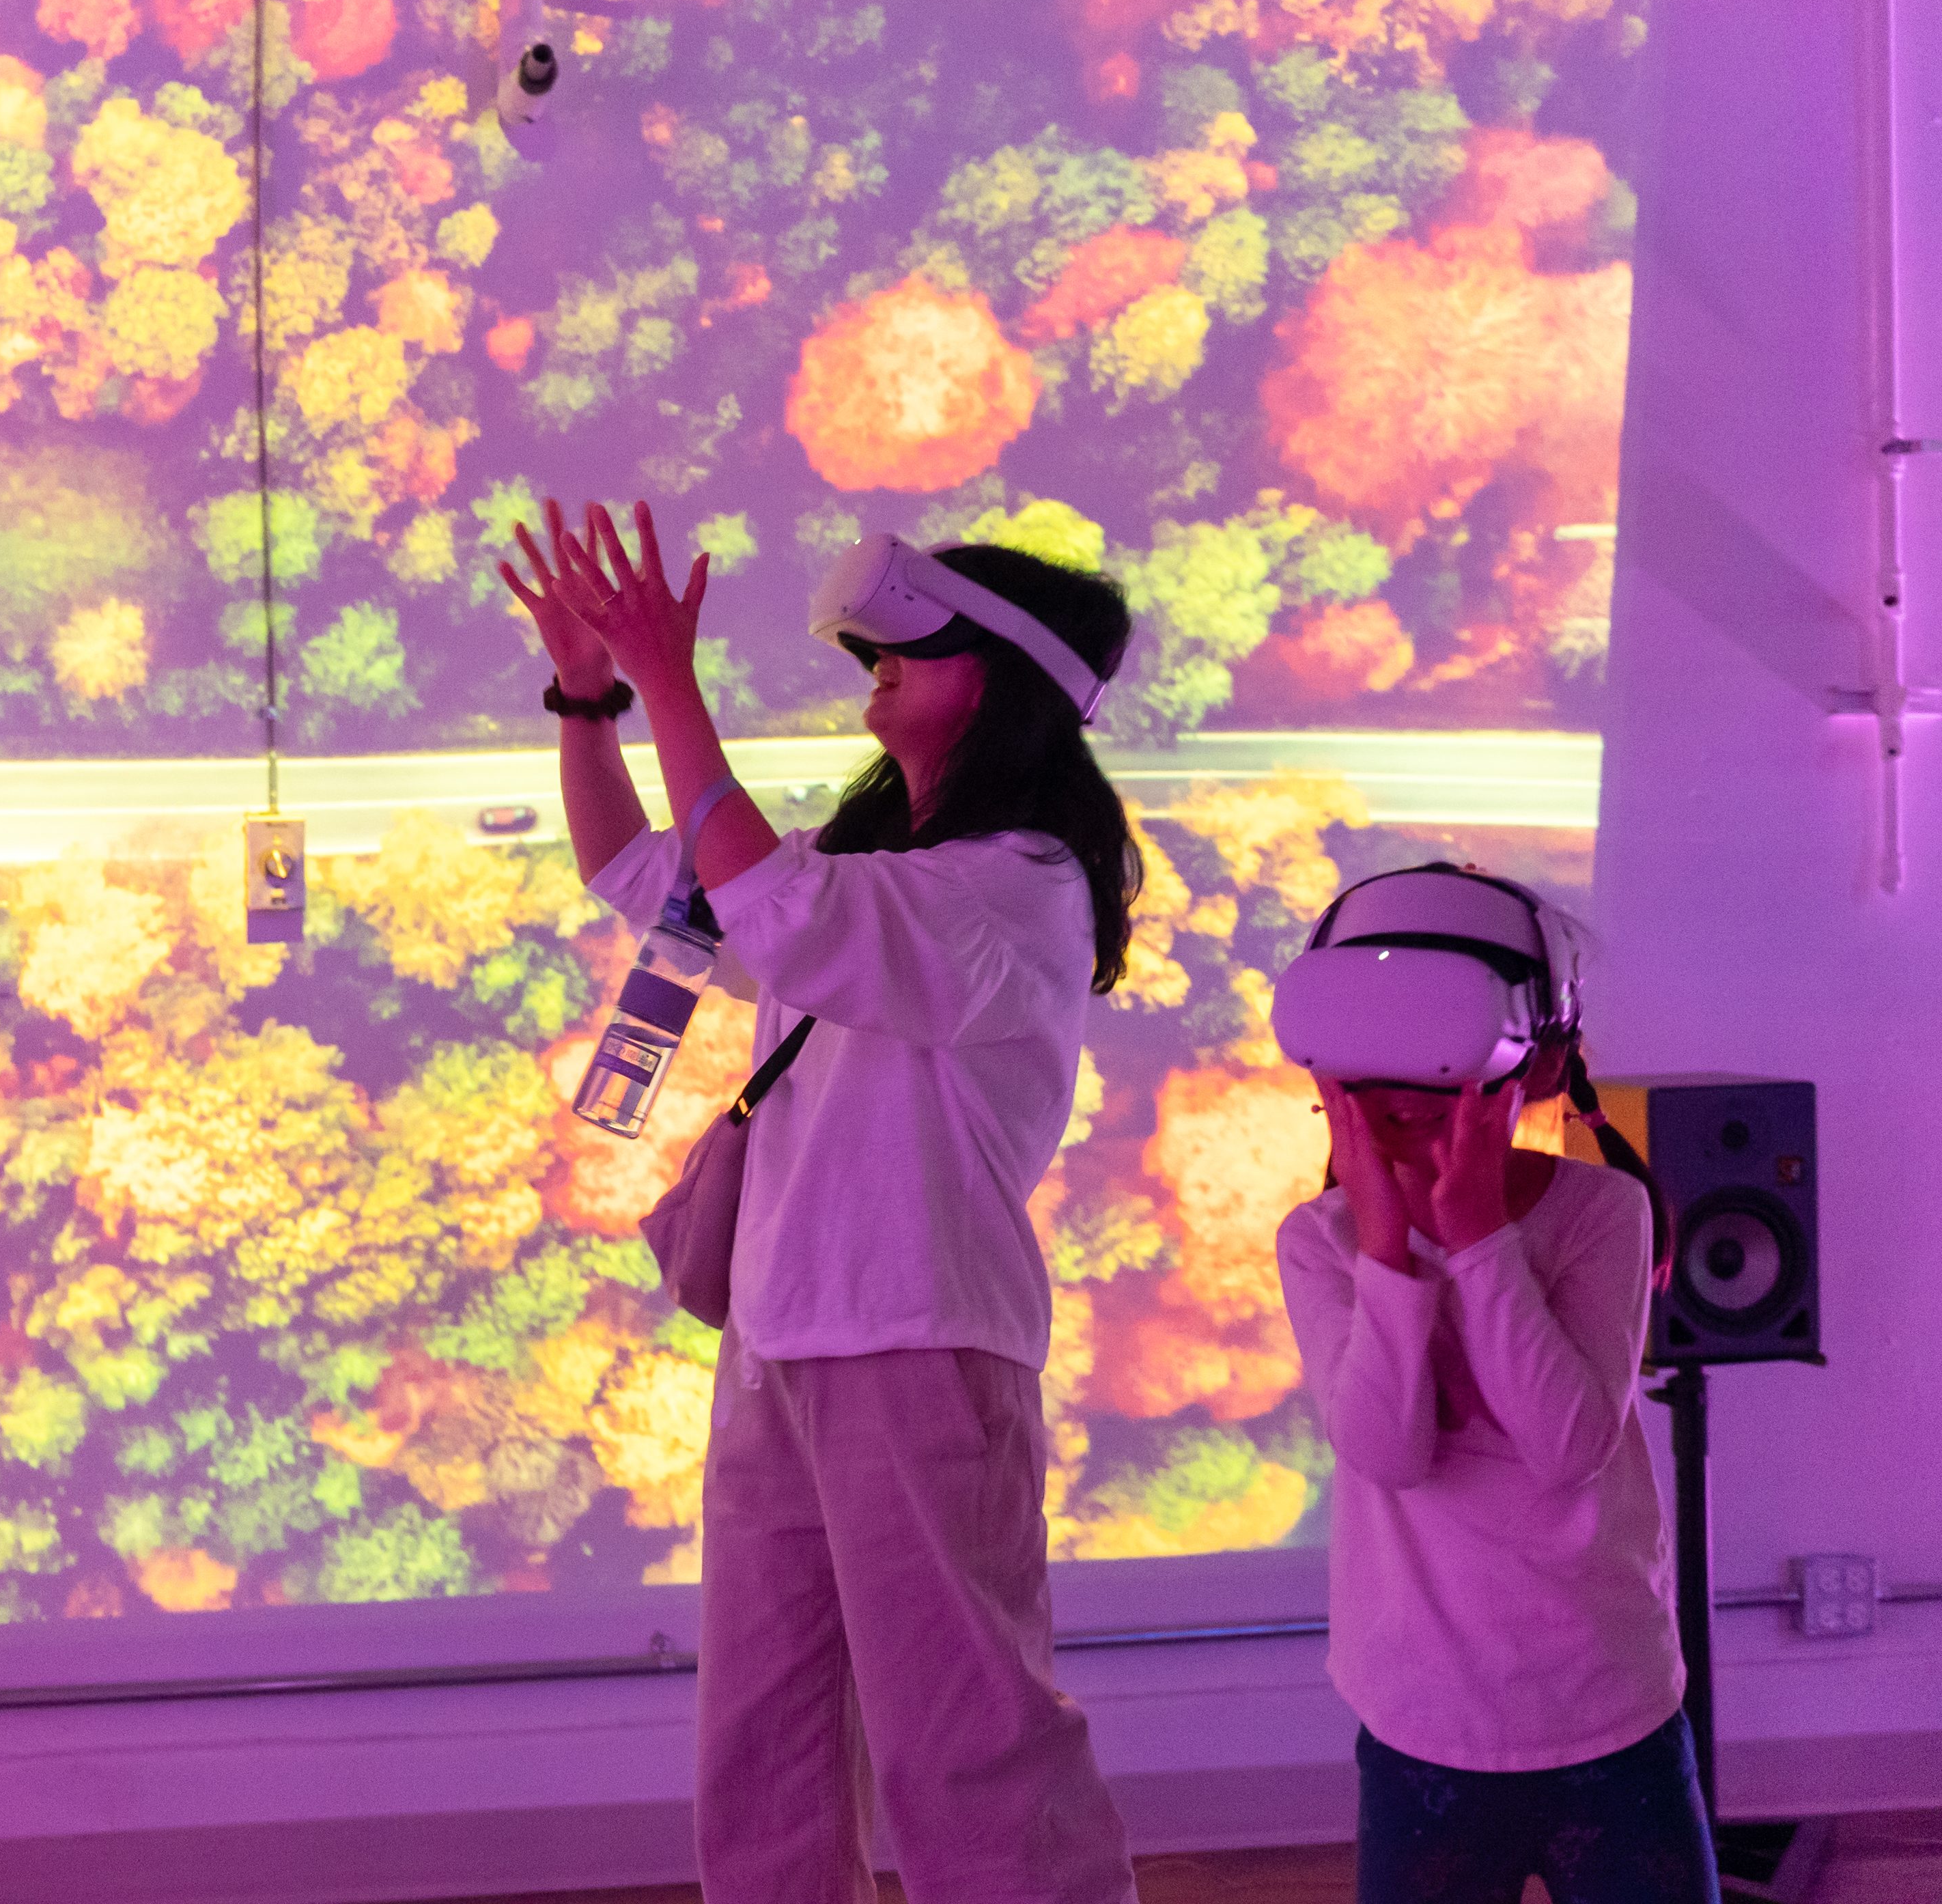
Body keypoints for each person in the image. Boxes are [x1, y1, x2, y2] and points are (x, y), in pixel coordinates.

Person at [502, 496, 1142, 1904]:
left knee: (964, 1741)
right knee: (763, 1752)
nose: (878, 663)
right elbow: (638, 876)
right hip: (781, 1340)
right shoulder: (869, 871)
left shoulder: (1020, 883)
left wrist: (671, 684)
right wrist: (591, 702)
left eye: (916, 645)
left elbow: (782, 915)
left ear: (1005, 683)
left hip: (918, 1339)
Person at [1273, 865, 1716, 1904]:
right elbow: (1387, 1453)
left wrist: (1476, 1239)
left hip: (1607, 1704)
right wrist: (1387, 1250)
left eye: (1439, 1056)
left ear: (1544, 1062)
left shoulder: (1603, 1214)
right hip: (1424, 1715)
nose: (1404, 1093)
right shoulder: (1321, 1242)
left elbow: (1568, 1448)